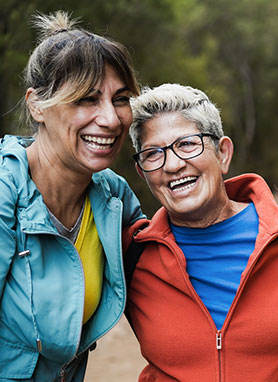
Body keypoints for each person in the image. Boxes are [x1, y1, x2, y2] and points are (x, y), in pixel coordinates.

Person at [123, 83, 278, 381]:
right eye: (153, 153)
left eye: (187, 144)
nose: (172, 164)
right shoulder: (133, 251)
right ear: (143, 173)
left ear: (223, 153)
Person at [0, 11, 143, 381]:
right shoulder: (4, 191)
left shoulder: (113, 197)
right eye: (86, 99)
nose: (111, 119)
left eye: (121, 98)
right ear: (37, 105)